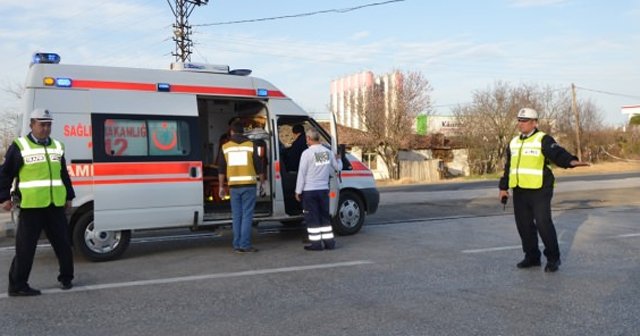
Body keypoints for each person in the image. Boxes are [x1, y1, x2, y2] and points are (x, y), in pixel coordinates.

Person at [498, 108, 589, 272]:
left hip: (540, 189)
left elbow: (557, 153)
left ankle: (553, 259)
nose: (521, 124)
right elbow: (508, 167)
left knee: (543, 223)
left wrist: (570, 161)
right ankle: (532, 257)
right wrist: (503, 187)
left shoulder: (543, 139)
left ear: (534, 123)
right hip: (520, 189)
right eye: (519, 120)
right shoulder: (513, 143)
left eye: (524, 121)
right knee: (524, 226)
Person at [0, 108, 75, 296]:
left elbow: (63, 174)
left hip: (54, 205)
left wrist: (69, 196)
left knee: (64, 244)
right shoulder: (20, 146)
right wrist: (3, 198)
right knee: (25, 248)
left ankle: (66, 278)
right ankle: (17, 286)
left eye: (48, 125)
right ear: (32, 124)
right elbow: (6, 173)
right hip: (31, 207)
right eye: (41, 124)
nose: (45, 129)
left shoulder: (57, 146)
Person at [218, 121, 265, 253]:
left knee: (237, 216)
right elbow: (259, 166)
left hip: (233, 187)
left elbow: (221, 169)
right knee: (247, 216)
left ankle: (237, 244)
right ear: (243, 132)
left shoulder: (225, 147)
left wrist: (221, 187)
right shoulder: (251, 145)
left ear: (231, 132)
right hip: (249, 185)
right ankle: (245, 245)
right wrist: (263, 183)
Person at [295, 128, 342, 251]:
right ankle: (329, 243)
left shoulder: (307, 154)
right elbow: (338, 168)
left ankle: (316, 244)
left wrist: (298, 191)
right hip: (323, 190)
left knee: (312, 218)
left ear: (309, 139)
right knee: (324, 217)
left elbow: (302, 173)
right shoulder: (327, 152)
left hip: (309, 191)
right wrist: (339, 158)